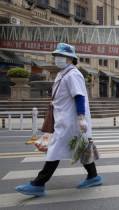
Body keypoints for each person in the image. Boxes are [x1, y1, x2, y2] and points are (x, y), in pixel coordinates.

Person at [15, 43, 103, 197]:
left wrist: (82, 118)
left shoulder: (73, 74)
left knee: (55, 150)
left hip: (71, 121)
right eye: (56, 56)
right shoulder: (62, 74)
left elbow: (79, 96)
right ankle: (93, 176)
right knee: (81, 148)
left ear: (70, 58)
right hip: (63, 118)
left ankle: (38, 184)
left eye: (61, 56)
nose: (57, 59)